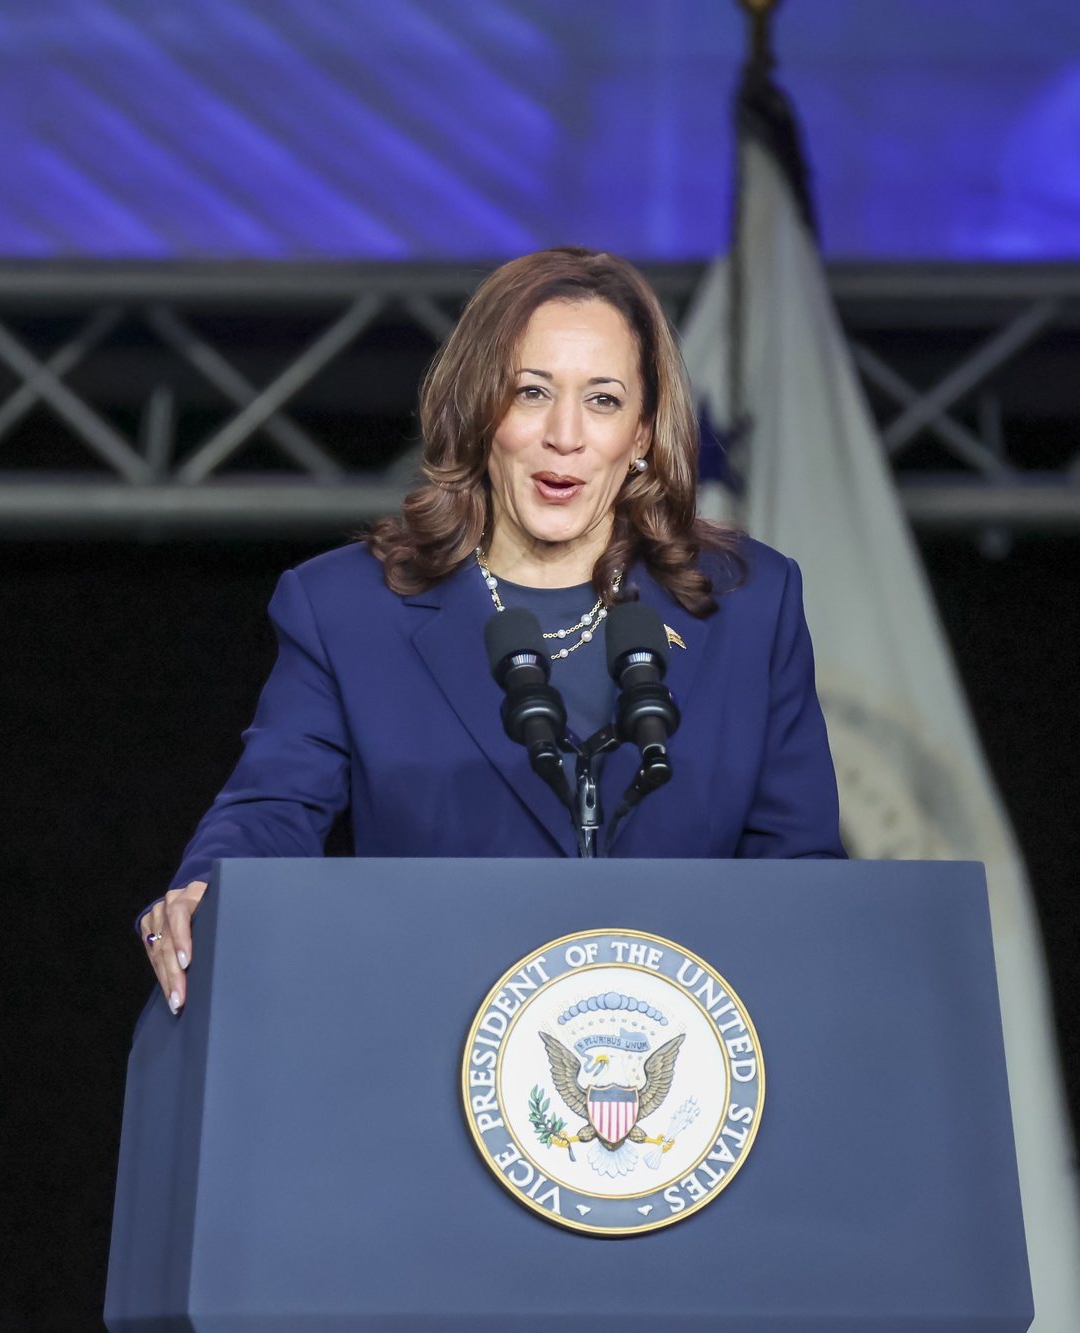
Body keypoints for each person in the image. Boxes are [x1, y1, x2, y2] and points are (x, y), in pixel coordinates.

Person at [137, 247, 843, 1015]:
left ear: (643, 432)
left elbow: (800, 873)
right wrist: (208, 887)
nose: (564, 435)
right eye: (531, 392)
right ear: (479, 409)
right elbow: (271, 808)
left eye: (603, 400)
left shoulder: (749, 604)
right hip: (426, 1043)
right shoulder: (347, 610)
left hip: (689, 1070)